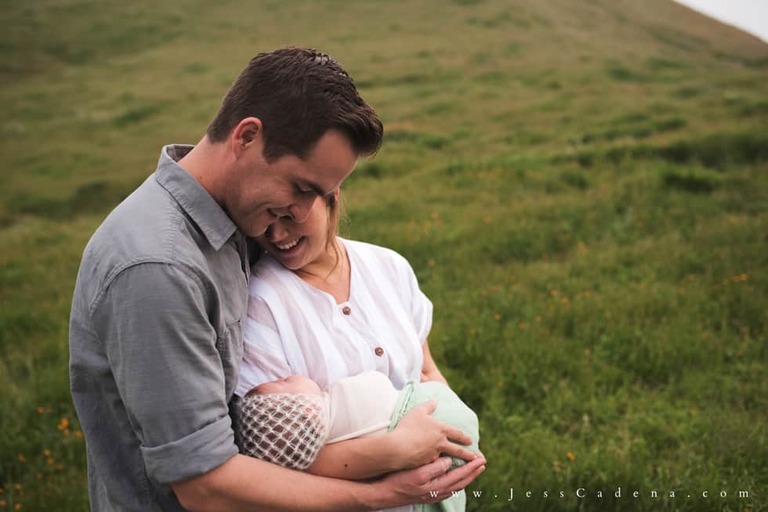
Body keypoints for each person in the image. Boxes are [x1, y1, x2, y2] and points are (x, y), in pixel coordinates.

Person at [68, 47, 485, 511]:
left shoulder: (233, 220)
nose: (305, 212)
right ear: (246, 137)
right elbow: (206, 486)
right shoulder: (158, 269)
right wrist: (379, 496)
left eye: (324, 193)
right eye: (300, 187)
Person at [236, 183, 482, 505]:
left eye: (289, 216)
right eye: (264, 221)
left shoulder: (389, 266)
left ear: (330, 192)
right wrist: (395, 452)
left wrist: (455, 437)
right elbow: (271, 453)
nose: (278, 235)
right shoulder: (260, 305)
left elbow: (425, 370)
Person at [236, 371, 481, 512]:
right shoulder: (344, 404)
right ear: (307, 412)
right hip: (438, 426)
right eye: (284, 383)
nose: (285, 377)